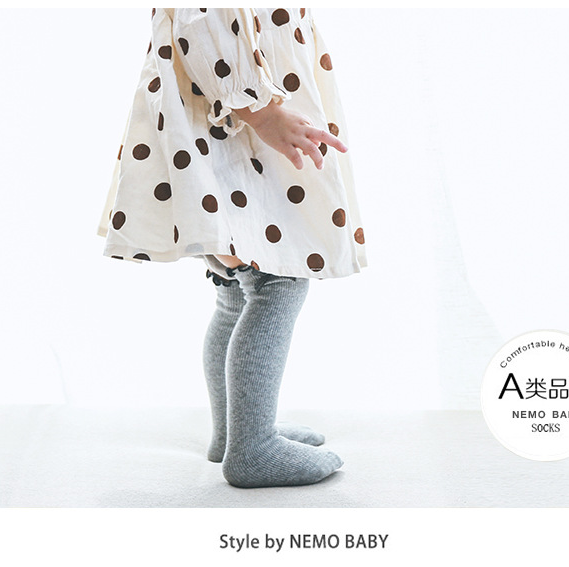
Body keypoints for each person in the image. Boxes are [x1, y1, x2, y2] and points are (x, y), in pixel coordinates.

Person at [96, 8, 366, 488]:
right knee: (278, 281)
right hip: (235, 130)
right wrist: (261, 112)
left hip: (226, 126)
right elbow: (203, 20)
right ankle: (253, 446)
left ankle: (235, 432)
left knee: (235, 292)